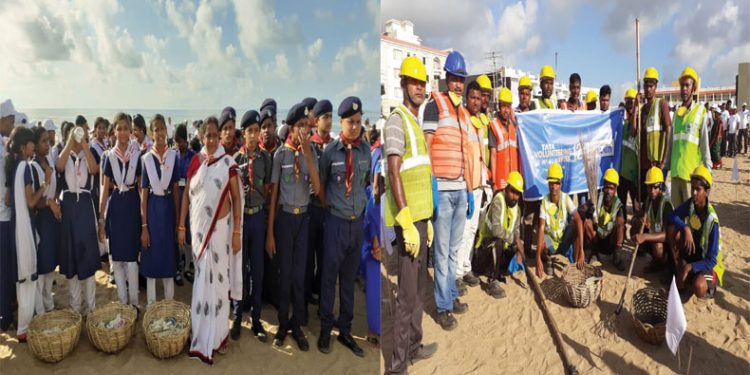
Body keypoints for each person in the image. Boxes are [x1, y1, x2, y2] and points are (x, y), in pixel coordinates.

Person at [384, 56, 438, 374]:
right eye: (413, 82)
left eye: (422, 83)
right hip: (408, 225)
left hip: (420, 222)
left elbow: (417, 175)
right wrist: (405, 221)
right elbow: (394, 171)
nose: (419, 88)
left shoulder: (416, 123)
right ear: (403, 83)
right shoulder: (396, 120)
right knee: (405, 298)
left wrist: (424, 222)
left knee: (418, 291)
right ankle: (397, 367)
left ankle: (415, 347)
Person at [177, 116, 243, 365]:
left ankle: (218, 337)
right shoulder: (196, 161)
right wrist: (181, 225)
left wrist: (237, 232)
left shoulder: (228, 163)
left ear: (222, 137)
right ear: (203, 136)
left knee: (218, 285)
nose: (213, 139)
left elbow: (236, 198)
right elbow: (186, 196)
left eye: (217, 135)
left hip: (221, 233)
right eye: (209, 135)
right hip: (199, 233)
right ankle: (200, 333)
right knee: (201, 282)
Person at [422, 50, 473, 329]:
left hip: (460, 189)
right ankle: (442, 307)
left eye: (461, 80)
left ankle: (451, 295)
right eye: (454, 78)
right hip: (441, 189)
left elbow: (464, 150)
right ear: (446, 79)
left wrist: (468, 189)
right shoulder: (435, 105)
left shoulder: (463, 113)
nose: (457, 84)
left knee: (454, 249)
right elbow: (428, 146)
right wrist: (431, 185)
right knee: (441, 252)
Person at [266, 103, 322, 351]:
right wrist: (270, 233)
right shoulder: (281, 155)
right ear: (290, 127)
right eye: (299, 126)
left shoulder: (313, 154)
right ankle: (282, 324)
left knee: (300, 275)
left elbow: (318, 190)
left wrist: (308, 153)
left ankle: (297, 325)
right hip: (286, 219)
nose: (303, 130)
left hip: (304, 218)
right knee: (285, 274)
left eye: (305, 126)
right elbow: (275, 195)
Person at [317, 96, 370, 357]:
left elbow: (365, 182)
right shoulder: (330, 152)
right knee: (329, 280)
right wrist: (333, 211)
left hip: (356, 224)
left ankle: (345, 331)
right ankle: (326, 329)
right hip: (335, 224)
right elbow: (322, 186)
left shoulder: (365, 151)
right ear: (341, 122)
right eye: (351, 122)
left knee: (348, 281)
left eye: (359, 122)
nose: (355, 127)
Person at [230, 110, 271, 342]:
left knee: (257, 270)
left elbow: (267, 190)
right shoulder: (237, 159)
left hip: (258, 218)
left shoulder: (266, 159)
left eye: (257, 131)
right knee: (239, 269)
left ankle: (256, 320)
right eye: (250, 132)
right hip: (242, 219)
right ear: (243, 134)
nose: (254, 136)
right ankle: (237, 317)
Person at [6, 127, 50, 342]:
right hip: (24, 229)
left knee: (24, 277)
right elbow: (31, 201)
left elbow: (11, 200)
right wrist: (45, 185)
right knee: (27, 275)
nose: (34, 145)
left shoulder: (15, 166)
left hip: (18, 227)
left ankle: (28, 322)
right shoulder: (24, 166)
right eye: (31, 143)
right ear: (24, 147)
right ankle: (24, 327)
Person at [56, 118, 101, 314]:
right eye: (75, 134)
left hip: (84, 206)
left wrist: (84, 144)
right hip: (68, 208)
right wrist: (69, 142)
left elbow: (94, 169)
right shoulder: (65, 155)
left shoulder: (88, 154)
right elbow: (59, 167)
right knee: (71, 257)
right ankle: (75, 306)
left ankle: (90, 307)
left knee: (88, 257)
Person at [99, 113, 141, 308]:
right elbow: (105, 188)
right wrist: (101, 219)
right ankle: (123, 302)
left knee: (132, 258)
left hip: (132, 205)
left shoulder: (137, 153)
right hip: (116, 207)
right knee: (117, 259)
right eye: (119, 128)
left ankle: (133, 303)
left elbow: (141, 187)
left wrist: (144, 217)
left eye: (126, 128)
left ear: (130, 130)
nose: (123, 132)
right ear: (114, 132)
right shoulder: (109, 157)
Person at [667, 166, 724, 299]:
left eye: (698, 189)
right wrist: (685, 228)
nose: (693, 193)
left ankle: (707, 286)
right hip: (695, 254)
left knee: (698, 286)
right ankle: (678, 273)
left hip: (710, 264)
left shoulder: (712, 221)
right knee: (672, 228)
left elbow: (711, 260)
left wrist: (689, 267)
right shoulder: (691, 204)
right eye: (692, 188)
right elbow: (672, 216)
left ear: (707, 192)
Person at [140, 114, 179, 307]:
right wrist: (144, 225)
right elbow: (144, 194)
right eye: (156, 129)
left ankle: (169, 303)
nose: (160, 133)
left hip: (169, 209)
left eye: (163, 128)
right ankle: (152, 305)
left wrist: (179, 219)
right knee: (152, 255)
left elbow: (177, 190)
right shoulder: (146, 159)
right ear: (151, 133)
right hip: (153, 210)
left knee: (168, 255)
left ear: (167, 130)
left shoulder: (174, 156)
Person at [472, 171, 524, 299]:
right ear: (506, 188)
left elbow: (516, 230)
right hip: (483, 251)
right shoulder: (498, 200)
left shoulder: (516, 209)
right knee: (499, 240)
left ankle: (497, 270)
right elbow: (496, 230)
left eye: (517, 193)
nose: (514, 196)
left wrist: (518, 246)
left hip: (498, 250)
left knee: (515, 244)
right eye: (512, 191)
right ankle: (492, 280)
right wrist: (514, 240)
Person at [455, 80, 487, 294]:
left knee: (473, 229)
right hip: (466, 184)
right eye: (472, 98)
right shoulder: (462, 119)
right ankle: (457, 273)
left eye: (479, 98)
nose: (476, 102)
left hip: (478, 184)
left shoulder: (478, 122)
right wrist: (466, 186)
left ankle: (466, 267)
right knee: (463, 230)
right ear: (467, 98)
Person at [307, 99, 334, 318]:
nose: (329, 121)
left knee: (325, 257)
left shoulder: (333, 145)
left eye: (331, 117)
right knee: (309, 256)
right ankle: (307, 295)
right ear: (316, 121)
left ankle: (318, 290)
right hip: (312, 208)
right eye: (325, 117)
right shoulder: (310, 145)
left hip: (329, 210)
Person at [669, 67, 711, 206]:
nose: (684, 89)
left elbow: (705, 148)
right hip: (675, 176)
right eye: (682, 85)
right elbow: (670, 147)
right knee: (677, 219)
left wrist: (708, 176)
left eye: (687, 85)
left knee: (691, 220)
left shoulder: (700, 113)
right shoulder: (675, 114)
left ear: (693, 88)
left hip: (691, 179)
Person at [571, 168, 626, 269]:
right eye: (606, 187)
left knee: (621, 223)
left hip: (610, 243)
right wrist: (585, 209)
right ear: (603, 186)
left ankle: (617, 257)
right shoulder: (596, 198)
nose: (608, 191)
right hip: (597, 240)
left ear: (615, 189)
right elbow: (580, 210)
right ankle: (593, 252)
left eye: (611, 188)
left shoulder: (618, 205)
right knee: (587, 223)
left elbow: (621, 226)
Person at [30, 127, 60, 314]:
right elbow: (32, 200)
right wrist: (49, 202)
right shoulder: (33, 167)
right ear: (34, 145)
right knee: (42, 265)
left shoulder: (49, 161)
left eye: (48, 141)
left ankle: (49, 303)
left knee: (50, 265)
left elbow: (55, 188)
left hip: (52, 217)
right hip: (41, 219)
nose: (47, 144)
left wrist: (55, 199)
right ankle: (40, 308)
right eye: (43, 141)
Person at [535, 163, 577, 278]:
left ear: (561, 184)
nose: (554, 186)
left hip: (563, 240)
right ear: (548, 184)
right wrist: (537, 258)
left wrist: (581, 253)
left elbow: (578, 220)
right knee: (541, 234)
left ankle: (575, 261)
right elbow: (542, 227)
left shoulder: (565, 198)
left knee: (575, 225)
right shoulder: (544, 202)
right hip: (551, 243)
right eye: (551, 183)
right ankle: (548, 258)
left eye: (556, 183)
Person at [632, 167, 673, 273]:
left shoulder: (666, 204)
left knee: (657, 246)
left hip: (667, 246)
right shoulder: (648, 201)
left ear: (660, 187)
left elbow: (666, 235)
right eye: (649, 187)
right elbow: (637, 217)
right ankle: (656, 262)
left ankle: (664, 265)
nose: (652, 191)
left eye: (655, 187)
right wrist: (639, 221)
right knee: (634, 229)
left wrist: (645, 236)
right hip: (653, 237)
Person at [640, 67, 672, 202]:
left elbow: (668, 129)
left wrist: (664, 160)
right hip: (647, 163)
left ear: (655, 87)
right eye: (646, 86)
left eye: (651, 86)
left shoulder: (661, 104)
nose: (648, 89)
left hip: (659, 163)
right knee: (649, 198)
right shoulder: (643, 110)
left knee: (659, 197)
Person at [0, 99, 17, 331]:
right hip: (2, 217)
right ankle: (4, 315)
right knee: (4, 269)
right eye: (10, 120)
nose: (12, 124)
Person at [488, 87, 519, 193]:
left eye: (508, 106)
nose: (506, 110)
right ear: (499, 106)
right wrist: (494, 183)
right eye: (503, 106)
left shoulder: (514, 126)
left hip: (513, 180)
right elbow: (493, 155)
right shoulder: (493, 126)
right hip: (500, 179)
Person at [618, 88, 640, 216]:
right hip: (622, 173)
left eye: (632, 102)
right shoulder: (623, 123)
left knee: (636, 207)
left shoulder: (637, 123)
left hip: (633, 175)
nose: (630, 105)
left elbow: (633, 131)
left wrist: (637, 108)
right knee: (621, 207)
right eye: (628, 102)